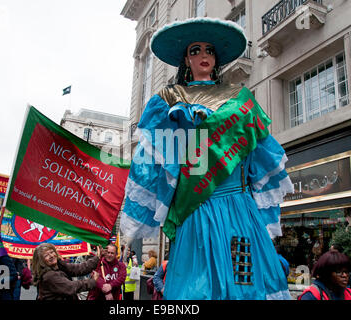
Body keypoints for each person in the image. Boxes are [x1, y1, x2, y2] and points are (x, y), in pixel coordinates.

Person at [120, 17, 294, 300]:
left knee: (244, 278)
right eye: (195, 50)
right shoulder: (169, 98)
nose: (203, 56)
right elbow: (155, 160)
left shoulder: (240, 97)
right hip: (196, 206)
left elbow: (257, 152)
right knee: (196, 286)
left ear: (216, 58)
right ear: (185, 59)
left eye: (209, 50)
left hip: (239, 208)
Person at [32, 242, 99, 300]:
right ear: (41, 261)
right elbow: (71, 287)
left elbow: (78, 268)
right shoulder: (49, 276)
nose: (51, 256)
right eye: (46, 255)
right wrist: (92, 281)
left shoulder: (59, 265)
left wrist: (97, 258)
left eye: (52, 252)